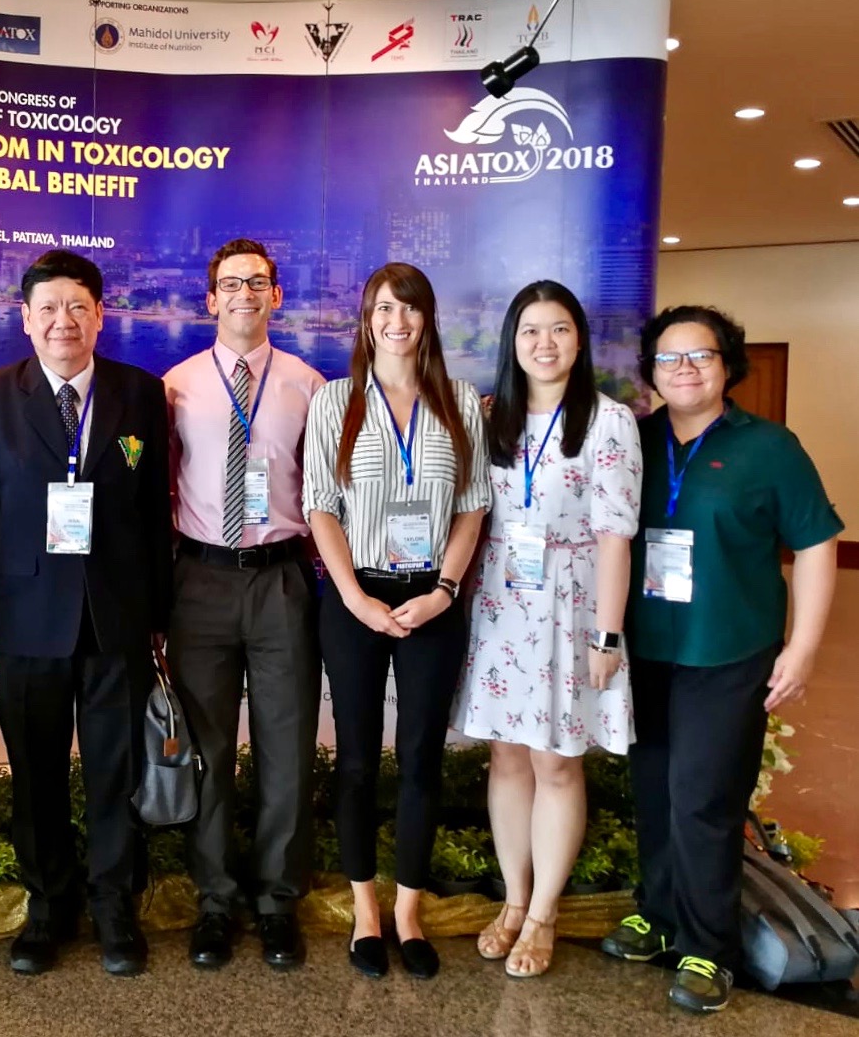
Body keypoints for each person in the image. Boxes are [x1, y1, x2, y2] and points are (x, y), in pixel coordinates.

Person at [602, 305, 841, 1013]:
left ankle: (709, 948)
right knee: (653, 789)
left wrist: (801, 648)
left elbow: (819, 544)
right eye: (669, 358)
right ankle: (659, 913)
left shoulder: (769, 447)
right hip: (647, 647)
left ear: (727, 364)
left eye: (700, 356)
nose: (684, 369)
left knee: (704, 798)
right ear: (650, 371)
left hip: (728, 647)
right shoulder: (634, 440)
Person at [0, 249, 173, 977]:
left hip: (116, 619)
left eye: (78, 307)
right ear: (24, 319)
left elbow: (153, 513)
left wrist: (159, 617)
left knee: (115, 773)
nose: (63, 321)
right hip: (23, 622)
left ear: (100, 315)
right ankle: (47, 908)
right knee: (36, 775)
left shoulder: (140, 394)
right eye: (47, 308)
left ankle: (115, 908)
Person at [303, 262, 489, 981]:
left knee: (419, 761)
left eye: (408, 308)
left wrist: (446, 588)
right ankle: (366, 913)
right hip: (356, 600)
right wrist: (352, 596)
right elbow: (321, 505)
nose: (396, 321)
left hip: (432, 600)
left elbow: (472, 504)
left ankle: (408, 911)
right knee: (354, 761)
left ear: (426, 319)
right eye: (383, 308)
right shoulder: (336, 401)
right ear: (366, 319)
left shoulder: (460, 401)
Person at [451, 282, 643, 977]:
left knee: (557, 762)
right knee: (506, 757)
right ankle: (513, 898)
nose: (544, 343)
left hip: (572, 604)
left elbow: (617, 537)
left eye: (558, 329)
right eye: (530, 331)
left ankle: (544, 914)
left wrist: (608, 636)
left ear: (579, 339)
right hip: (501, 602)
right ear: (513, 341)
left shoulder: (608, 421)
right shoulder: (490, 417)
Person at [162, 238, 325, 970]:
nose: (244, 295)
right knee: (207, 750)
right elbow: (157, 489)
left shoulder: (309, 385)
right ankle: (216, 900)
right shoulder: (175, 385)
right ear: (210, 298)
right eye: (230, 284)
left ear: (276, 295)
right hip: (199, 580)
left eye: (258, 283)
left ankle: (277, 901)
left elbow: (325, 494)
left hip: (282, 578)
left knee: (286, 747)